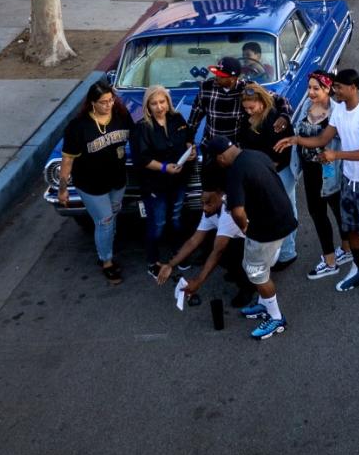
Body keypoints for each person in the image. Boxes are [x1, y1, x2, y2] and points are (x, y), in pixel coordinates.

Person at [277, 68, 359, 298]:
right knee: (350, 227)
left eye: (339, 87)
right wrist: (296, 139)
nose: (335, 90)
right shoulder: (339, 113)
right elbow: (322, 139)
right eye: (334, 87)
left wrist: (337, 156)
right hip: (349, 180)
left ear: (353, 88)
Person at [207, 136, 298, 340]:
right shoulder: (255, 155)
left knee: (257, 274)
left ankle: (275, 318)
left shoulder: (234, 173)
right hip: (284, 217)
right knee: (252, 266)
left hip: (267, 228)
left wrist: (245, 228)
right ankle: (264, 305)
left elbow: (238, 212)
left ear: (221, 158)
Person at [274, 71, 352, 280]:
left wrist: (296, 140)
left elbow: (325, 140)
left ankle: (344, 251)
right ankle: (331, 259)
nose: (311, 92)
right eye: (309, 88)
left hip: (331, 171)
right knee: (317, 213)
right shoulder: (307, 108)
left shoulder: (337, 112)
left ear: (328, 89)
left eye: (316, 88)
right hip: (310, 170)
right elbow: (296, 128)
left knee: (337, 211)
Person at [57, 79, 134, 284]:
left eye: (110, 100)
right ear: (92, 102)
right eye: (103, 102)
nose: (108, 104)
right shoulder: (78, 127)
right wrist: (62, 189)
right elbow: (67, 159)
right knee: (105, 220)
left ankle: (106, 244)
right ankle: (106, 261)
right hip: (91, 184)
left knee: (113, 214)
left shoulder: (122, 117)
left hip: (117, 181)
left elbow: (136, 137)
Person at [156, 176, 251, 308]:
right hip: (239, 242)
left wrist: (198, 281)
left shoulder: (228, 212)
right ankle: (238, 271)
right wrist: (171, 264)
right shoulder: (210, 211)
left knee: (226, 250)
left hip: (257, 247)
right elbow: (194, 240)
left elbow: (218, 252)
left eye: (209, 203)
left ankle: (248, 286)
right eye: (202, 203)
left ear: (221, 197)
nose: (204, 208)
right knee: (209, 244)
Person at [130, 85, 194, 275]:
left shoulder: (177, 119)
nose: (159, 107)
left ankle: (177, 254)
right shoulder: (142, 128)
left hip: (178, 181)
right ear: (147, 106)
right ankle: (152, 261)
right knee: (157, 224)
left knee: (175, 219)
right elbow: (142, 159)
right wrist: (165, 168)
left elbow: (188, 136)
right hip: (155, 184)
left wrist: (191, 149)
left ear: (168, 101)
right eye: (154, 103)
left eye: (162, 101)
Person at [240, 84, 297, 269]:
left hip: (279, 173)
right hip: (262, 172)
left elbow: (280, 152)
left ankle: (288, 253)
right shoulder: (247, 118)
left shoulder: (275, 121)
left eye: (252, 107)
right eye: (245, 107)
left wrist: (260, 169)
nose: (248, 111)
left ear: (262, 103)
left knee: (286, 209)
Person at [187, 55, 246, 144]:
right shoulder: (206, 87)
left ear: (233, 79)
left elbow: (271, 98)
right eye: (217, 74)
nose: (217, 77)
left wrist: (276, 120)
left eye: (221, 76)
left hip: (236, 148)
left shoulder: (246, 88)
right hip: (210, 146)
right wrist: (189, 141)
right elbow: (194, 119)